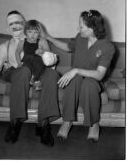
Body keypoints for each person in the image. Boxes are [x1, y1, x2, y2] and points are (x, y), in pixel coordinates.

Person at [0, 10, 60, 146]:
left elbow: (49, 60)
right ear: (8, 27)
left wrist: (43, 69)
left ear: (24, 24)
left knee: (52, 75)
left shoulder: (41, 41)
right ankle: (15, 123)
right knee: (23, 70)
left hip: (38, 70)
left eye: (18, 22)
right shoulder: (5, 46)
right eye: (11, 24)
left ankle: (44, 125)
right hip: (17, 71)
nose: (15, 26)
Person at [41, 10, 115, 142]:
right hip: (76, 78)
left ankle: (93, 124)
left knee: (88, 84)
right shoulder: (80, 38)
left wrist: (76, 70)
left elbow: (99, 74)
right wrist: (48, 37)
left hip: (94, 80)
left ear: (92, 28)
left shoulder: (107, 46)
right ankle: (67, 121)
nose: (78, 28)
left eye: (81, 26)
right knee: (74, 80)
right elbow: (67, 47)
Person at [15, 19, 50, 90]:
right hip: (27, 64)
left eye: (36, 32)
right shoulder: (22, 42)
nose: (33, 35)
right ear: (25, 32)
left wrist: (42, 51)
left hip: (39, 65)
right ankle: (30, 79)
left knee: (38, 59)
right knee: (28, 59)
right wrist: (19, 63)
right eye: (30, 32)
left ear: (39, 33)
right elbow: (17, 52)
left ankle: (35, 80)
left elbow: (49, 54)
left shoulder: (41, 42)